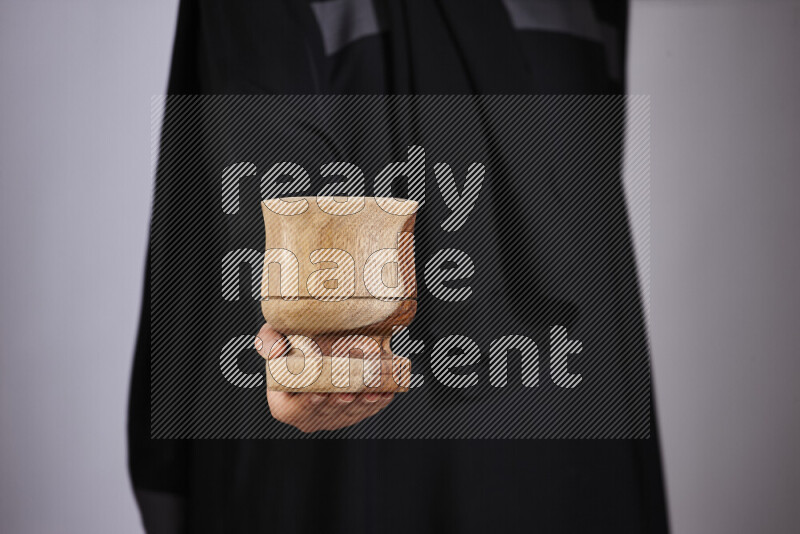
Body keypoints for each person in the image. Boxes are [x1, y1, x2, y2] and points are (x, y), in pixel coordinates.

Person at [129, 1, 669, 532]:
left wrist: (318, 333)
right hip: (554, 415)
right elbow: (265, 143)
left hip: (417, 433)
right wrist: (318, 339)